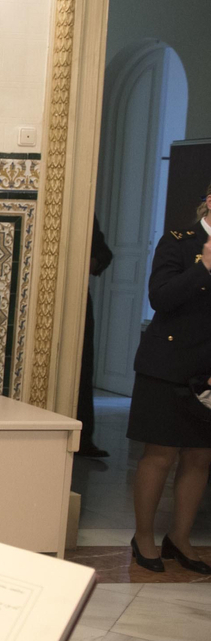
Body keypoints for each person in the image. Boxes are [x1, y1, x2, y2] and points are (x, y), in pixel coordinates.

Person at [125, 188, 211, 574]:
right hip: (167, 363)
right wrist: (204, 268)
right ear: (210, 201)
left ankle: (180, 538)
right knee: (160, 455)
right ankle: (144, 537)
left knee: (200, 456)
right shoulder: (178, 242)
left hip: (207, 369)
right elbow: (160, 298)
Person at [78, 220, 114, 458]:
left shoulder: (87, 217)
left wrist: (89, 264)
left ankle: (83, 437)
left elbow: (103, 253)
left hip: (79, 294)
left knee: (83, 366)